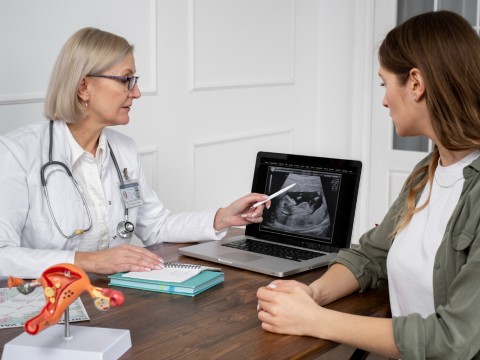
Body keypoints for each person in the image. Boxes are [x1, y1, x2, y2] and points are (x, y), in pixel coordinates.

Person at [256, 10, 480, 360]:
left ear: (416, 84)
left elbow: (454, 339)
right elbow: (371, 255)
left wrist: (316, 320)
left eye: (385, 83)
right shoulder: (427, 171)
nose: (385, 100)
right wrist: (311, 296)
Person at [0, 27, 269, 279]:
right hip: (46, 302)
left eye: (134, 80)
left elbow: (156, 226)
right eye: (126, 80)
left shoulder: (123, 149)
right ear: (83, 86)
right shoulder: (17, 153)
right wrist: (90, 261)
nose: (136, 92)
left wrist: (221, 217)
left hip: (111, 295)